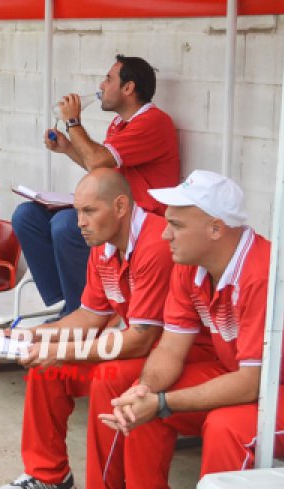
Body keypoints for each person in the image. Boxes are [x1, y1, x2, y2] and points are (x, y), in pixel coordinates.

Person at [96, 170, 284, 489]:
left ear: (216, 229)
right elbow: (170, 350)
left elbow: (251, 383)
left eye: (176, 224)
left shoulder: (265, 275)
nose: (164, 233)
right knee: (143, 400)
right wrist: (145, 391)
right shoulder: (189, 264)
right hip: (246, 377)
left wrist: (162, 401)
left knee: (227, 428)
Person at [0, 168, 215, 489]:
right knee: (48, 367)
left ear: (121, 206)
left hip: (180, 357)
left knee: (110, 379)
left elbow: (142, 340)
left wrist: (67, 351)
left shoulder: (156, 246)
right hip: (140, 349)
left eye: (89, 211)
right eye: (77, 212)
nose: (79, 223)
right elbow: (88, 315)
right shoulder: (104, 245)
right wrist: (33, 336)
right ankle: (49, 474)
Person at [13, 54, 180, 317]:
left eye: (108, 79)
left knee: (66, 224)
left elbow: (96, 158)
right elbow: (100, 169)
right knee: (26, 216)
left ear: (128, 88)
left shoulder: (154, 121)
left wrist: (73, 122)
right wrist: (68, 148)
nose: (101, 86)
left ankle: (78, 312)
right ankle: (67, 301)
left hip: (142, 221)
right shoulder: (119, 123)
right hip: (114, 210)